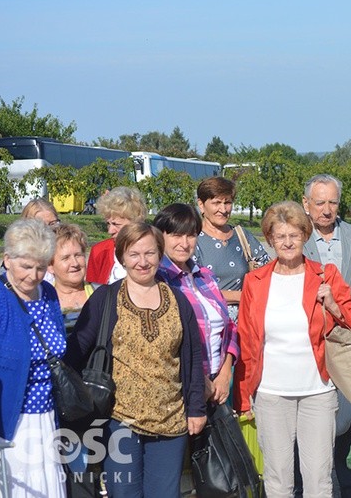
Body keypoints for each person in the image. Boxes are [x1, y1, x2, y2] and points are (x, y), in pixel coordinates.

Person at [236, 201, 351, 497]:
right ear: (269, 239)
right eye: (280, 236)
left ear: (305, 236)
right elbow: (246, 338)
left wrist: (333, 304)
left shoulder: (326, 275)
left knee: (318, 479)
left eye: (294, 235)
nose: (287, 242)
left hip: (317, 391)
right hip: (271, 392)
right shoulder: (255, 281)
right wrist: (243, 395)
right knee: (277, 477)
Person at [65, 223, 206, 497]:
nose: (143, 262)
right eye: (134, 254)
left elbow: (191, 355)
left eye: (150, 253)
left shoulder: (177, 299)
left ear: (159, 254)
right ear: (122, 257)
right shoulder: (106, 299)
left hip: (171, 422)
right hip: (119, 422)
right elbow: (75, 352)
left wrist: (196, 408)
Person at [301, 173, 351, 497]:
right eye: (319, 202)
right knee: (310, 420)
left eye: (332, 202)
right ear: (306, 204)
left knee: (347, 421)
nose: (326, 209)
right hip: (309, 348)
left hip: (348, 344)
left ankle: (350, 487)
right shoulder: (297, 239)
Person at [0, 219, 66, 497]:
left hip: (47, 415)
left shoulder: (49, 294)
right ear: (7, 260)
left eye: (41, 267)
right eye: (26, 266)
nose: (33, 275)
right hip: (9, 419)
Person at [153, 203, 238, 406]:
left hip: (218, 385)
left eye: (191, 235)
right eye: (176, 235)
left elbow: (229, 328)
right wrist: (200, 381)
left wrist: (225, 374)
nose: (184, 243)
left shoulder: (205, 277)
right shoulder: (158, 281)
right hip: (181, 389)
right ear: (160, 237)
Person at [194, 176, 270, 321]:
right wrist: (240, 296)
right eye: (216, 203)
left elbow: (267, 269)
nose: (223, 209)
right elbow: (192, 288)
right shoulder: (193, 239)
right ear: (201, 205)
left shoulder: (241, 235)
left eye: (227, 202)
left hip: (245, 323)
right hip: (209, 324)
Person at [85, 186, 148, 285]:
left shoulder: (151, 250)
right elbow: (91, 292)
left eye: (116, 224)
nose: (110, 231)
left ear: (135, 223)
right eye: (108, 224)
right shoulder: (99, 251)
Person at [49, 223, 94, 331]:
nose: (75, 263)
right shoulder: (44, 300)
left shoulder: (102, 295)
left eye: (78, 255)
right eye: (66, 258)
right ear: (50, 266)